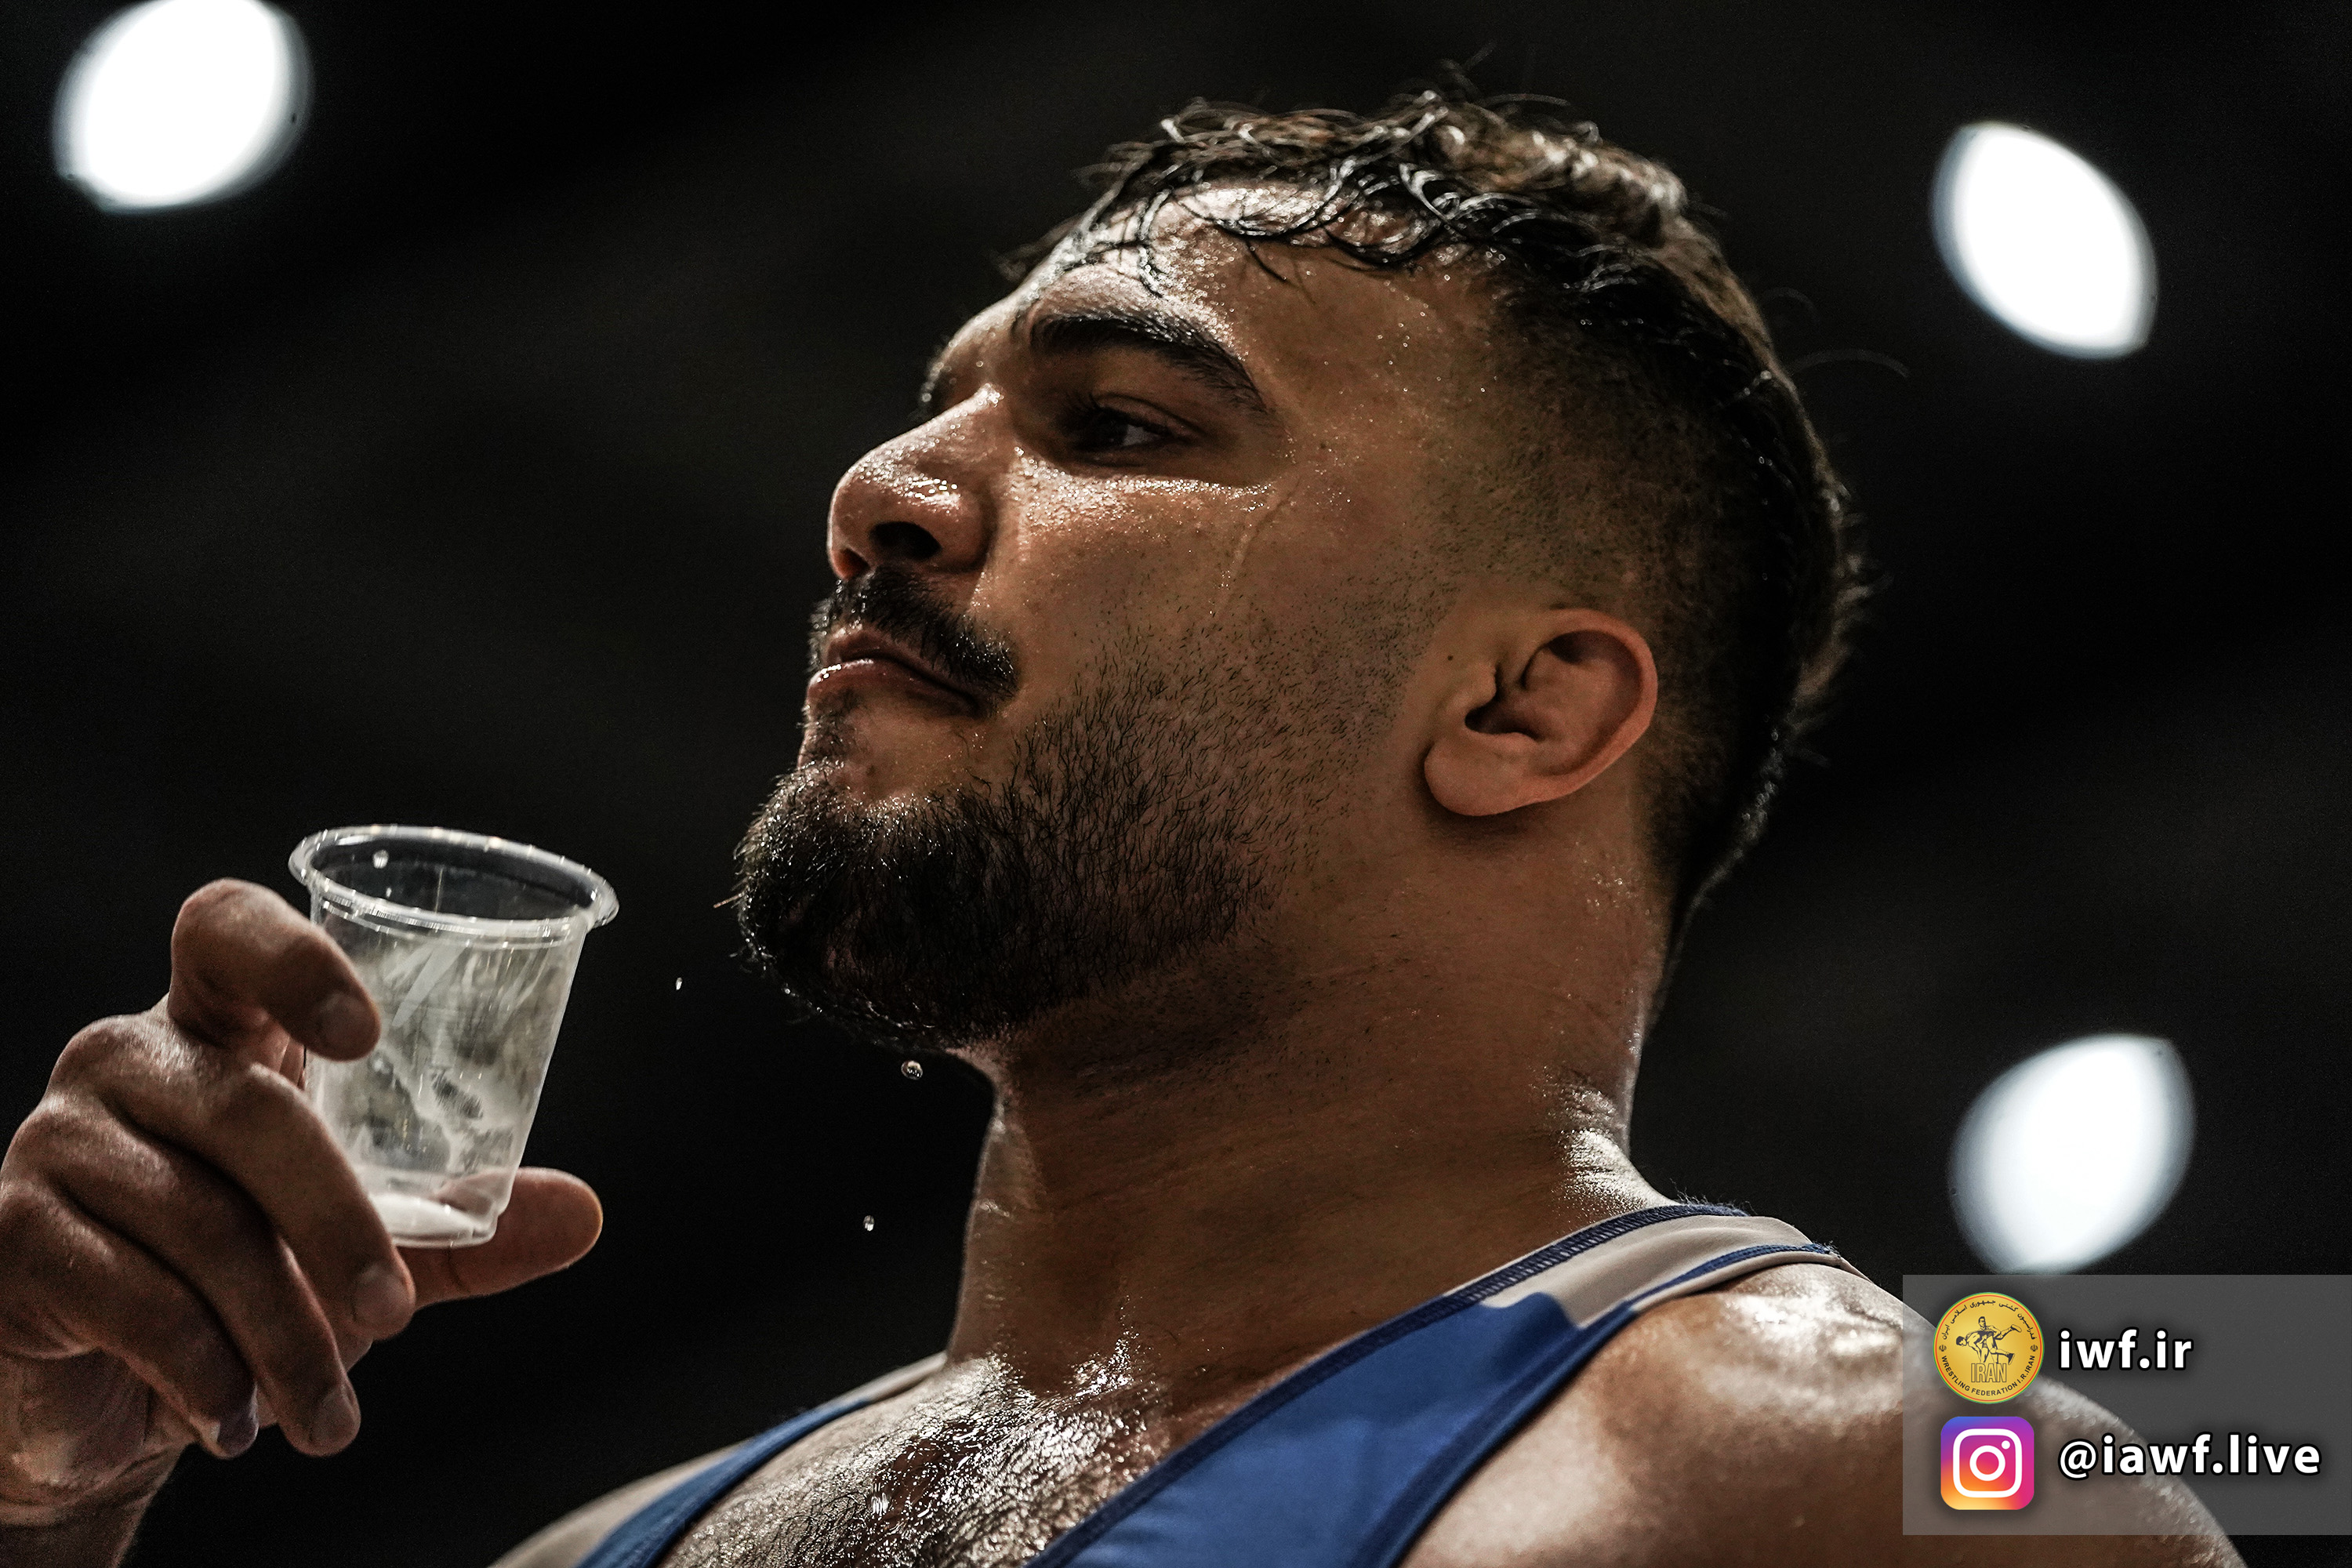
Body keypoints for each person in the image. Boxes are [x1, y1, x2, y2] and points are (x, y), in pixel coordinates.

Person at [0, 91, 2235, 1567]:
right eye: (941, 408)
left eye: (1123, 425)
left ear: (1522, 709)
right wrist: (41, 1490)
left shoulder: (1893, 1473)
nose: (879, 494)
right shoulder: (610, 1550)